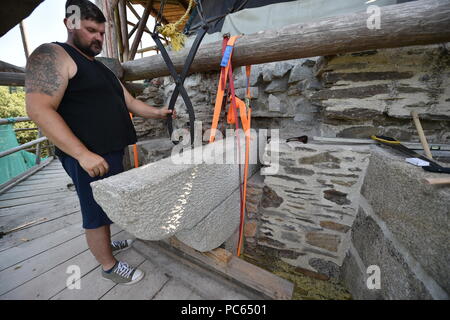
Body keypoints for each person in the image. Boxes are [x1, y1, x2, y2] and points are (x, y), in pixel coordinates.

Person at [25, 0, 175, 285]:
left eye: (102, 33)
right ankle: (107, 265)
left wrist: (158, 112)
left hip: (111, 150)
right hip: (87, 155)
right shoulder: (52, 55)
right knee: (94, 212)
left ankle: (105, 245)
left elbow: (129, 101)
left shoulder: (103, 68)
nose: (98, 38)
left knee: (106, 205)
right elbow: (38, 109)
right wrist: (82, 154)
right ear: (70, 24)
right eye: (92, 30)